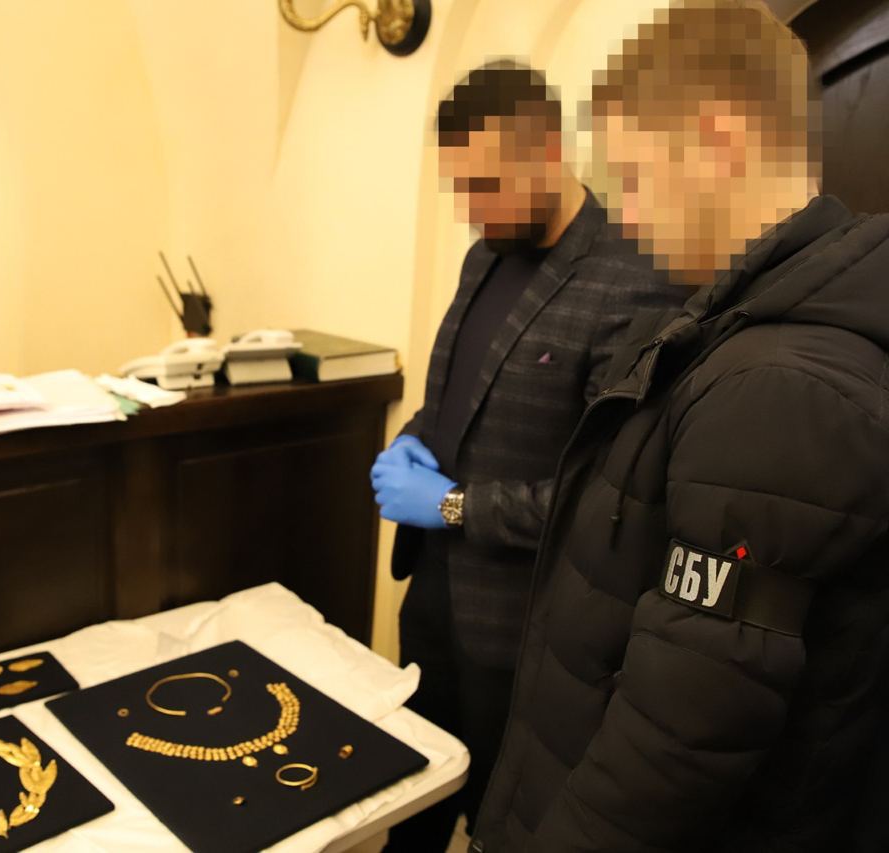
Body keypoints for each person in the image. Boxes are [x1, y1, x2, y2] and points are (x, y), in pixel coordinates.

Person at [470, 2, 889, 851]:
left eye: (631, 176)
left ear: (717, 140)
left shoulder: (779, 387)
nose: (624, 217)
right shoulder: (734, 326)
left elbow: (674, 747)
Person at [370, 62, 686, 850]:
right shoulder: (485, 255)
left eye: (485, 184)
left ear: (548, 152)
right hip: (434, 603)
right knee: (409, 807)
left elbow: (604, 499)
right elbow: (457, 396)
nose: (472, 210)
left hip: (520, 636)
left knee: (500, 827)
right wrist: (412, 438)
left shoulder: (634, 279)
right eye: (460, 188)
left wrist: (449, 505)